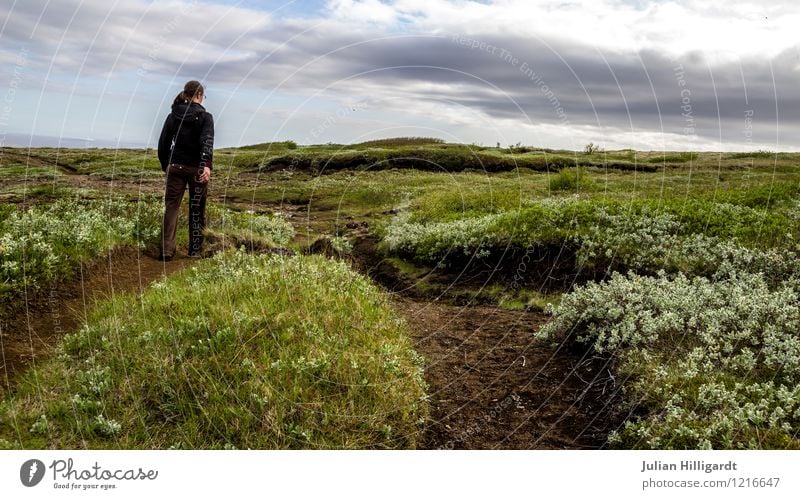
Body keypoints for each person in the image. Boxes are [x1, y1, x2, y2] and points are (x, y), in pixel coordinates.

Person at [157, 80, 214, 261]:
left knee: (171, 207)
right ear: (199, 95)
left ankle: (166, 251)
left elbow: (163, 143)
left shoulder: (173, 115)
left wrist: (166, 165)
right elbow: (207, 142)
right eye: (203, 96)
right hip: (197, 168)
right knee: (196, 208)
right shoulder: (206, 117)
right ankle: (195, 251)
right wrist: (206, 165)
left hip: (176, 166)